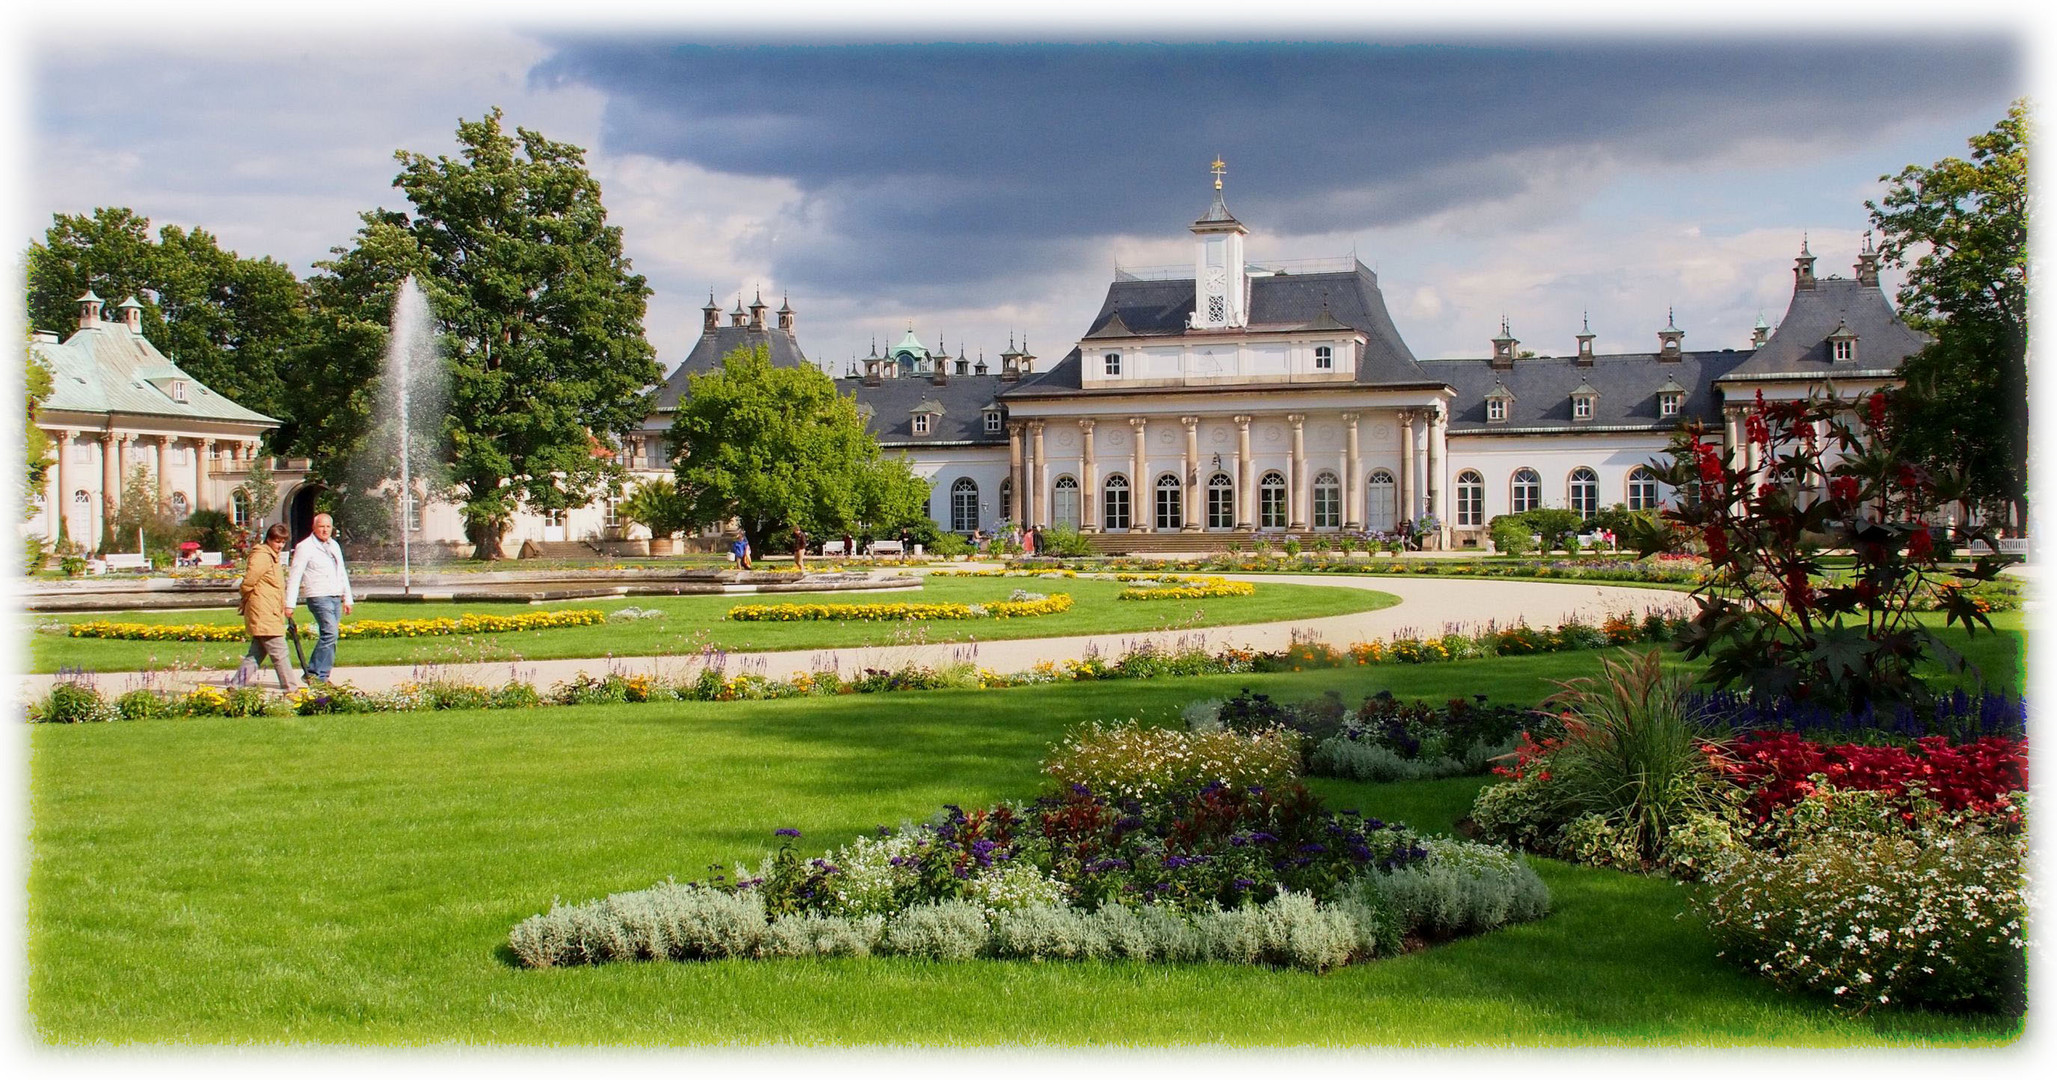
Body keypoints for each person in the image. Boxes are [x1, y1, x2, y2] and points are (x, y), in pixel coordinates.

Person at [285, 512, 353, 683]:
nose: (325, 530)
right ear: (314, 528)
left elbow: (341, 572)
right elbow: (295, 575)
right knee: (330, 633)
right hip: (318, 596)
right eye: (321, 526)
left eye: (328, 526)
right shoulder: (305, 547)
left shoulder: (334, 546)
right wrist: (289, 604)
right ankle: (315, 673)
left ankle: (322, 674)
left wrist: (348, 598)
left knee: (332, 636)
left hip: (335, 595)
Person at [233, 523, 301, 692]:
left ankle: (236, 685)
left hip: (269, 610)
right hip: (264, 611)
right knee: (280, 652)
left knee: (256, 654)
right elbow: (249, 581)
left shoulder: (271, 555)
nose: (280, 545)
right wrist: (248, 598)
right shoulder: (262, 556)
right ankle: (291, 689)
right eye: (277, 541)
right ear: (269, 539)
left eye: (283, 542)